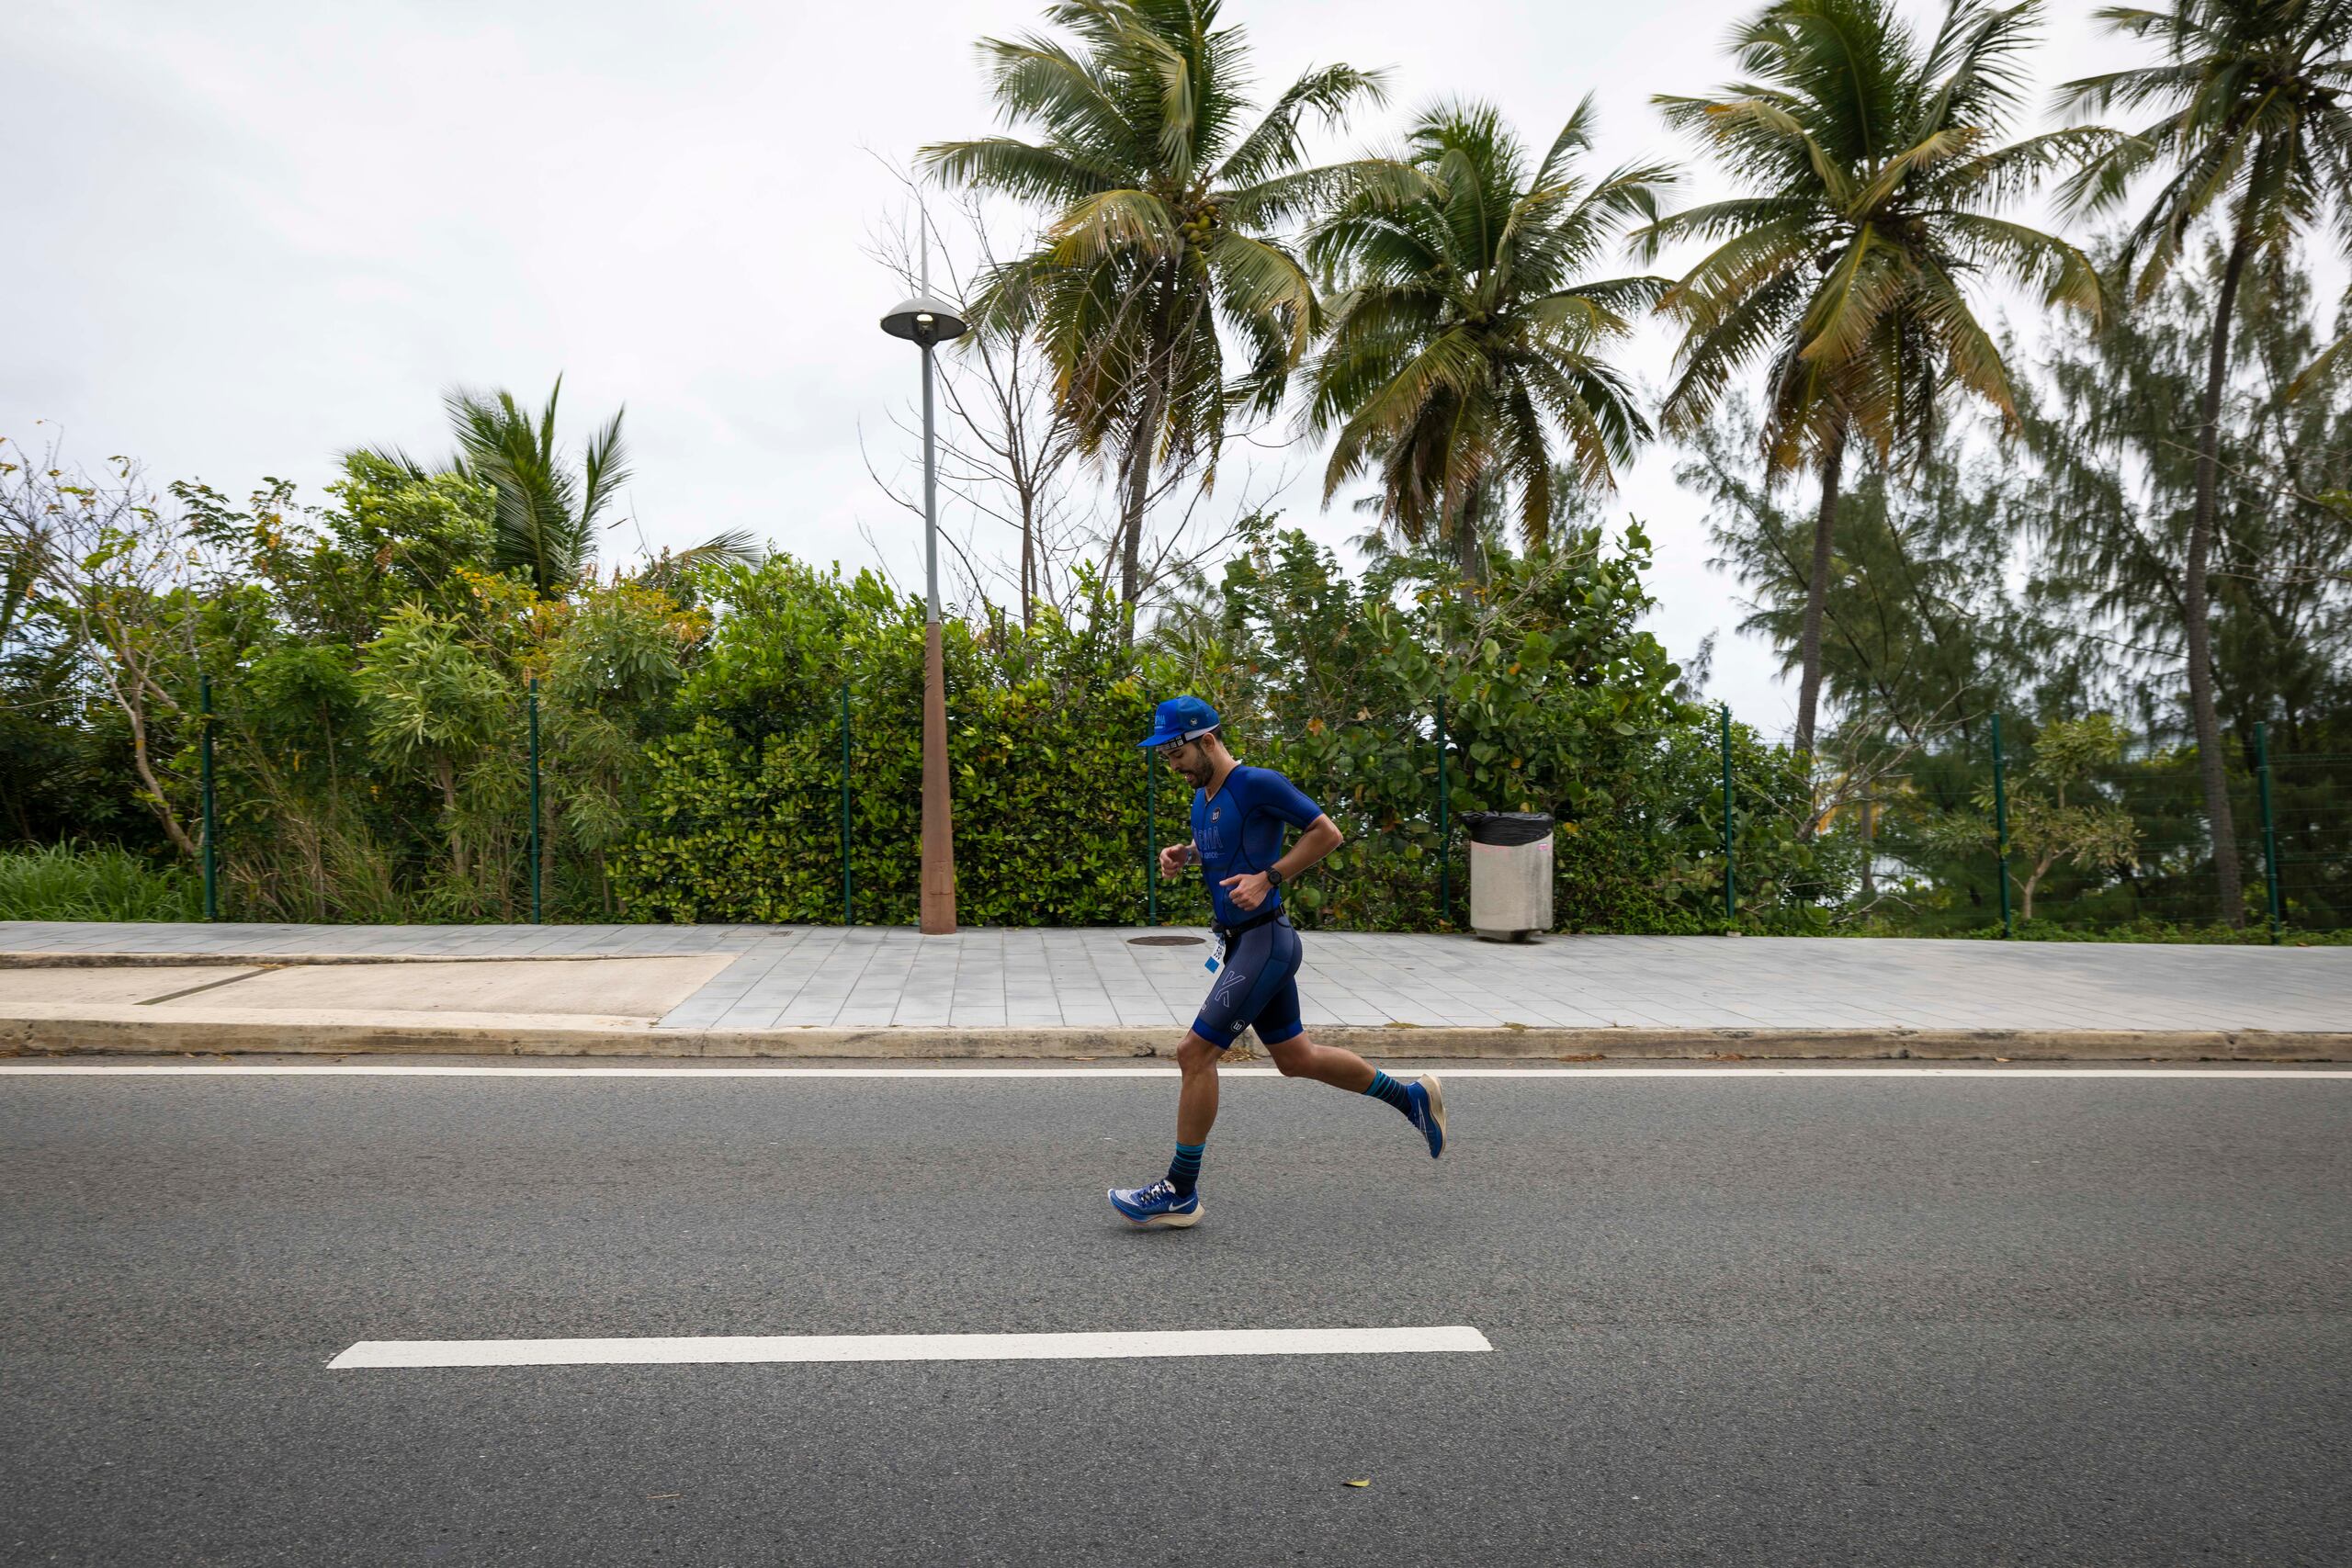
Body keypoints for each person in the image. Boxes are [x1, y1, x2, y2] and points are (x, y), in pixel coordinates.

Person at [1110, 695, 1447, 1230]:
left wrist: (1271, 877)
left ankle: (1180, 1189)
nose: (1171, 767)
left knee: (1194, 1054)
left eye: (1175, 755)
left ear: (1207, 741)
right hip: (1244, 943)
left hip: (1266, 941)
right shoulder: (1205, 796)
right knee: (1296, 1059)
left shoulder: (1258, 783)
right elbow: (1224, 848)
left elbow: (1327, 833)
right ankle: (1410, 1099)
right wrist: (1186, 854)